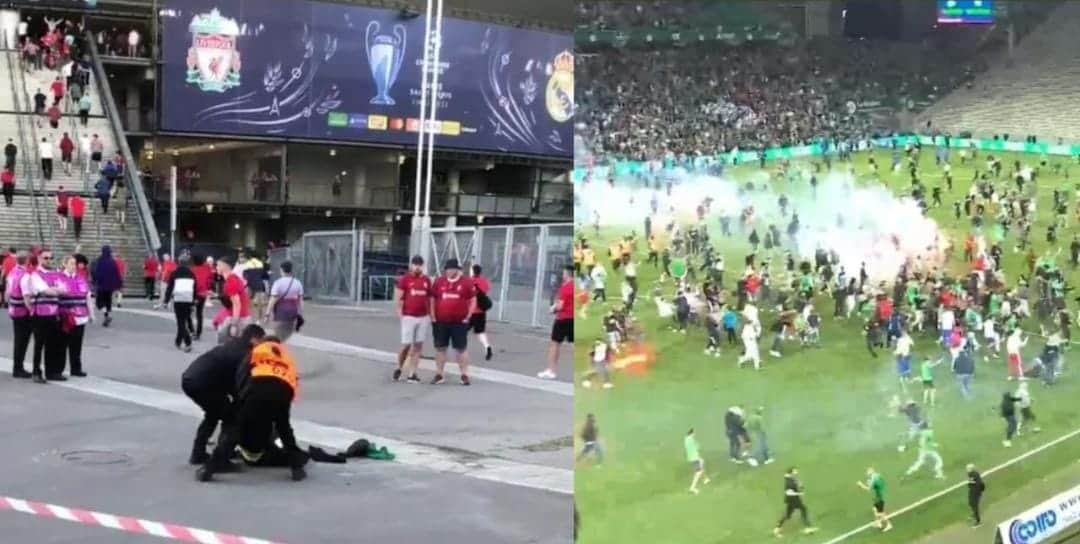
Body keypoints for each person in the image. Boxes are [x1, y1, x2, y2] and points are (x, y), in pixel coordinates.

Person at [197, 337, 306, 482]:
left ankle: (210, 468)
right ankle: (296, 468)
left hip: (255, 389)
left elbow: (241, 375)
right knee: (285, 428)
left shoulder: (256, 352)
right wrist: (283, 402)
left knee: (235, 429)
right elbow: (294, 382)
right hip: (283, 392)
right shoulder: (286, 356)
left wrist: (241, 401)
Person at [182, 324, 266, 465]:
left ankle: (199, 453)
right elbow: (239, 382)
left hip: (191, 378)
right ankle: (221, 458)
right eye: (261, 341)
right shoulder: (245, 354)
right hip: (204, 383)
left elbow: (230, 377)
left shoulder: (233, 344)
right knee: (231, 417)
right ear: (253, 339)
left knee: (214, 413)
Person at [429, 259, 476, 386]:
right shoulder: (439, 281)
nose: (449, 272)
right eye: (447, 269)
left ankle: (464, 375)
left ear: (457, 270)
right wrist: (432, 315)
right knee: (440, 347)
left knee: (461, 348)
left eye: (451, 269)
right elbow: (433, 298)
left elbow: (473, 300)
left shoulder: (466, 282)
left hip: (459, 322)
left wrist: (469, 316)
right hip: (441, 321)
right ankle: (439, 374)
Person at [23, 250, 66, 383]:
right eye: (46, 258)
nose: (49, 260)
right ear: (39, 259)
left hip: (54, 314)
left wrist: (53, 290)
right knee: (39, 344)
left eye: (51, 258)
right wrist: (54, 290)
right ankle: (36, 372)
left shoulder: (55, 274)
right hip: (40, 315)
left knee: (52, 344)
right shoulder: (35, 274)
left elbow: (64, 290)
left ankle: (51, 372)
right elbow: (45, 290)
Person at [395, 256, 431, 383]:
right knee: (406, 345)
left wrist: (430, 315)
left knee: (418, 346)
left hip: (423, 317)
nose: (417, 267)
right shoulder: (405, 280)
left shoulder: (426, 280)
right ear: (411, 265)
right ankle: (399, 367)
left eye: (420, 265)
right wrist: (401, 315)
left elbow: (429, 298)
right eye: (415, 264)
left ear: (423, 266)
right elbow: (399, 299)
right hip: (408, 316)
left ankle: (412, 373)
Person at [58, 254, 92, 377]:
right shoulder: (59, 278)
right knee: (63, 343)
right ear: (65, 264)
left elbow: (87, 296)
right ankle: (59, 369)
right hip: (66, 316)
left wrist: (91, 314)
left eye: (75, 264)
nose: (74, 266)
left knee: (77, 344)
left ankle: (76, 368)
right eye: (71, 263)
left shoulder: (80, 278)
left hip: (81, 316)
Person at [540, 265, 574, 380]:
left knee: (555, 344)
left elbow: (560, 305)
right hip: (573, 318)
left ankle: (551, 370)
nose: (563, 275)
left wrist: (553, 309)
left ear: (567, 274)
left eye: (564, 273)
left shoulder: (565, 287)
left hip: (563, 319)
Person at [212, 256, 252, 344]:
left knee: (225, 344)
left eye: (218, 265)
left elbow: (236, 303)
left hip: (238, 318)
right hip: (240, 316)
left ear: (225, 266)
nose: (216, 267)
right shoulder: (233, 278)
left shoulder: (231, 281)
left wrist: (234, 325)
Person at [6, 251, 33, 378]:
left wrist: (9, 304)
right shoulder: (25, 276)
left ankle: (17, 366)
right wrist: (32, 310)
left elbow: (7, 292)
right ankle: (18, 368)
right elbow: (26, 296)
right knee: (22, 341)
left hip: (13, 309)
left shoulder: (12, 272)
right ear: (27, 261)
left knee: (18, 340)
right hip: (22, 311)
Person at [164, 254, 196, 352]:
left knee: (180, 321)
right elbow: (194, 288)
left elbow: (169, 288)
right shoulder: (192, 274)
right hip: (188, 299)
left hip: (178, 299)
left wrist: (166, 300)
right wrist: (193, 301)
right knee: (184, 320)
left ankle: (188, 342)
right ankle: (178, 341)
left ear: (178, 262)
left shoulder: (174, 273)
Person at [773, 467, 818, 537]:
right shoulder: (788, 482)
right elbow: (788, 492)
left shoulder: (792, 478)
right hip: (793, 500)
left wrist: (800, 485)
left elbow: (798, 485)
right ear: (791, 472)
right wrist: (799, 493)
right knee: (803, 509)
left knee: (788, 515)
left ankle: (777, 528)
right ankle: (808, 527)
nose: (796, 473)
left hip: (792, 500)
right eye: (795, 471)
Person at [265, 260, 303, 342]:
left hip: (281, 311)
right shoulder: (297, 283)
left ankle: (279, 346)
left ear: (281, 270)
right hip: (293, 310)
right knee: (288, 333)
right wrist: (299, 314)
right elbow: (300, 301)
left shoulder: (278, 283)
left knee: (278, 334)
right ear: (291, 270)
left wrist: (267, 313)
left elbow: (273, 299)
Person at [91, 245, 122, 327]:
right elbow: (117, 274)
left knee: (100, 302)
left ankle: (106, 315)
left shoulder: (100, 261)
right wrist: (118, 284)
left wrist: (94, 281)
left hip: (101, 285)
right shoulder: (112, 262)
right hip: (110, 286)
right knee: (108, 301)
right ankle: (106, 315)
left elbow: (97, 272)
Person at [469, 264, 494, 361]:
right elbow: (486, 290)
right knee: (480, 332)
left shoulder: (469, 281)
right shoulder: (484, 281)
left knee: (462, 330)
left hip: (471, 311)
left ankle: (459, 350)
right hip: (481, 311)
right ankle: (487, 346)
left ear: (472, 271)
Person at [857, 467, 893, 532]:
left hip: (880, 497)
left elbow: (868, 489)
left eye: (868, 472)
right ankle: (878, 523)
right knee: (874, 509)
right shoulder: (878, 475)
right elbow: (879, 483)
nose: (867, 474)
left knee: (880, 513)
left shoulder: (873, 479)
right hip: (880, 495)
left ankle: (888, 524)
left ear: (871, 472)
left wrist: (861, 485)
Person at [190, 254, 213, 341]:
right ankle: (198, 333)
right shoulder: (207, 269)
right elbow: (210, 280)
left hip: (193, 293)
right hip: (202, 294)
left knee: (189, 312)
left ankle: (191, 330)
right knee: (199, 314)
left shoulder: (192, 270)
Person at [684, 428, 710, 494]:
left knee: (702, 464)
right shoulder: (692, 440)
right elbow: (697, 447)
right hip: (695, 458)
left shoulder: (686, 439)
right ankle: (692, 487)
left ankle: (705, 479)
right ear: (692, 433)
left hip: (691, 457)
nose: (695, 434)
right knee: (698, 472)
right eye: (694, 433)